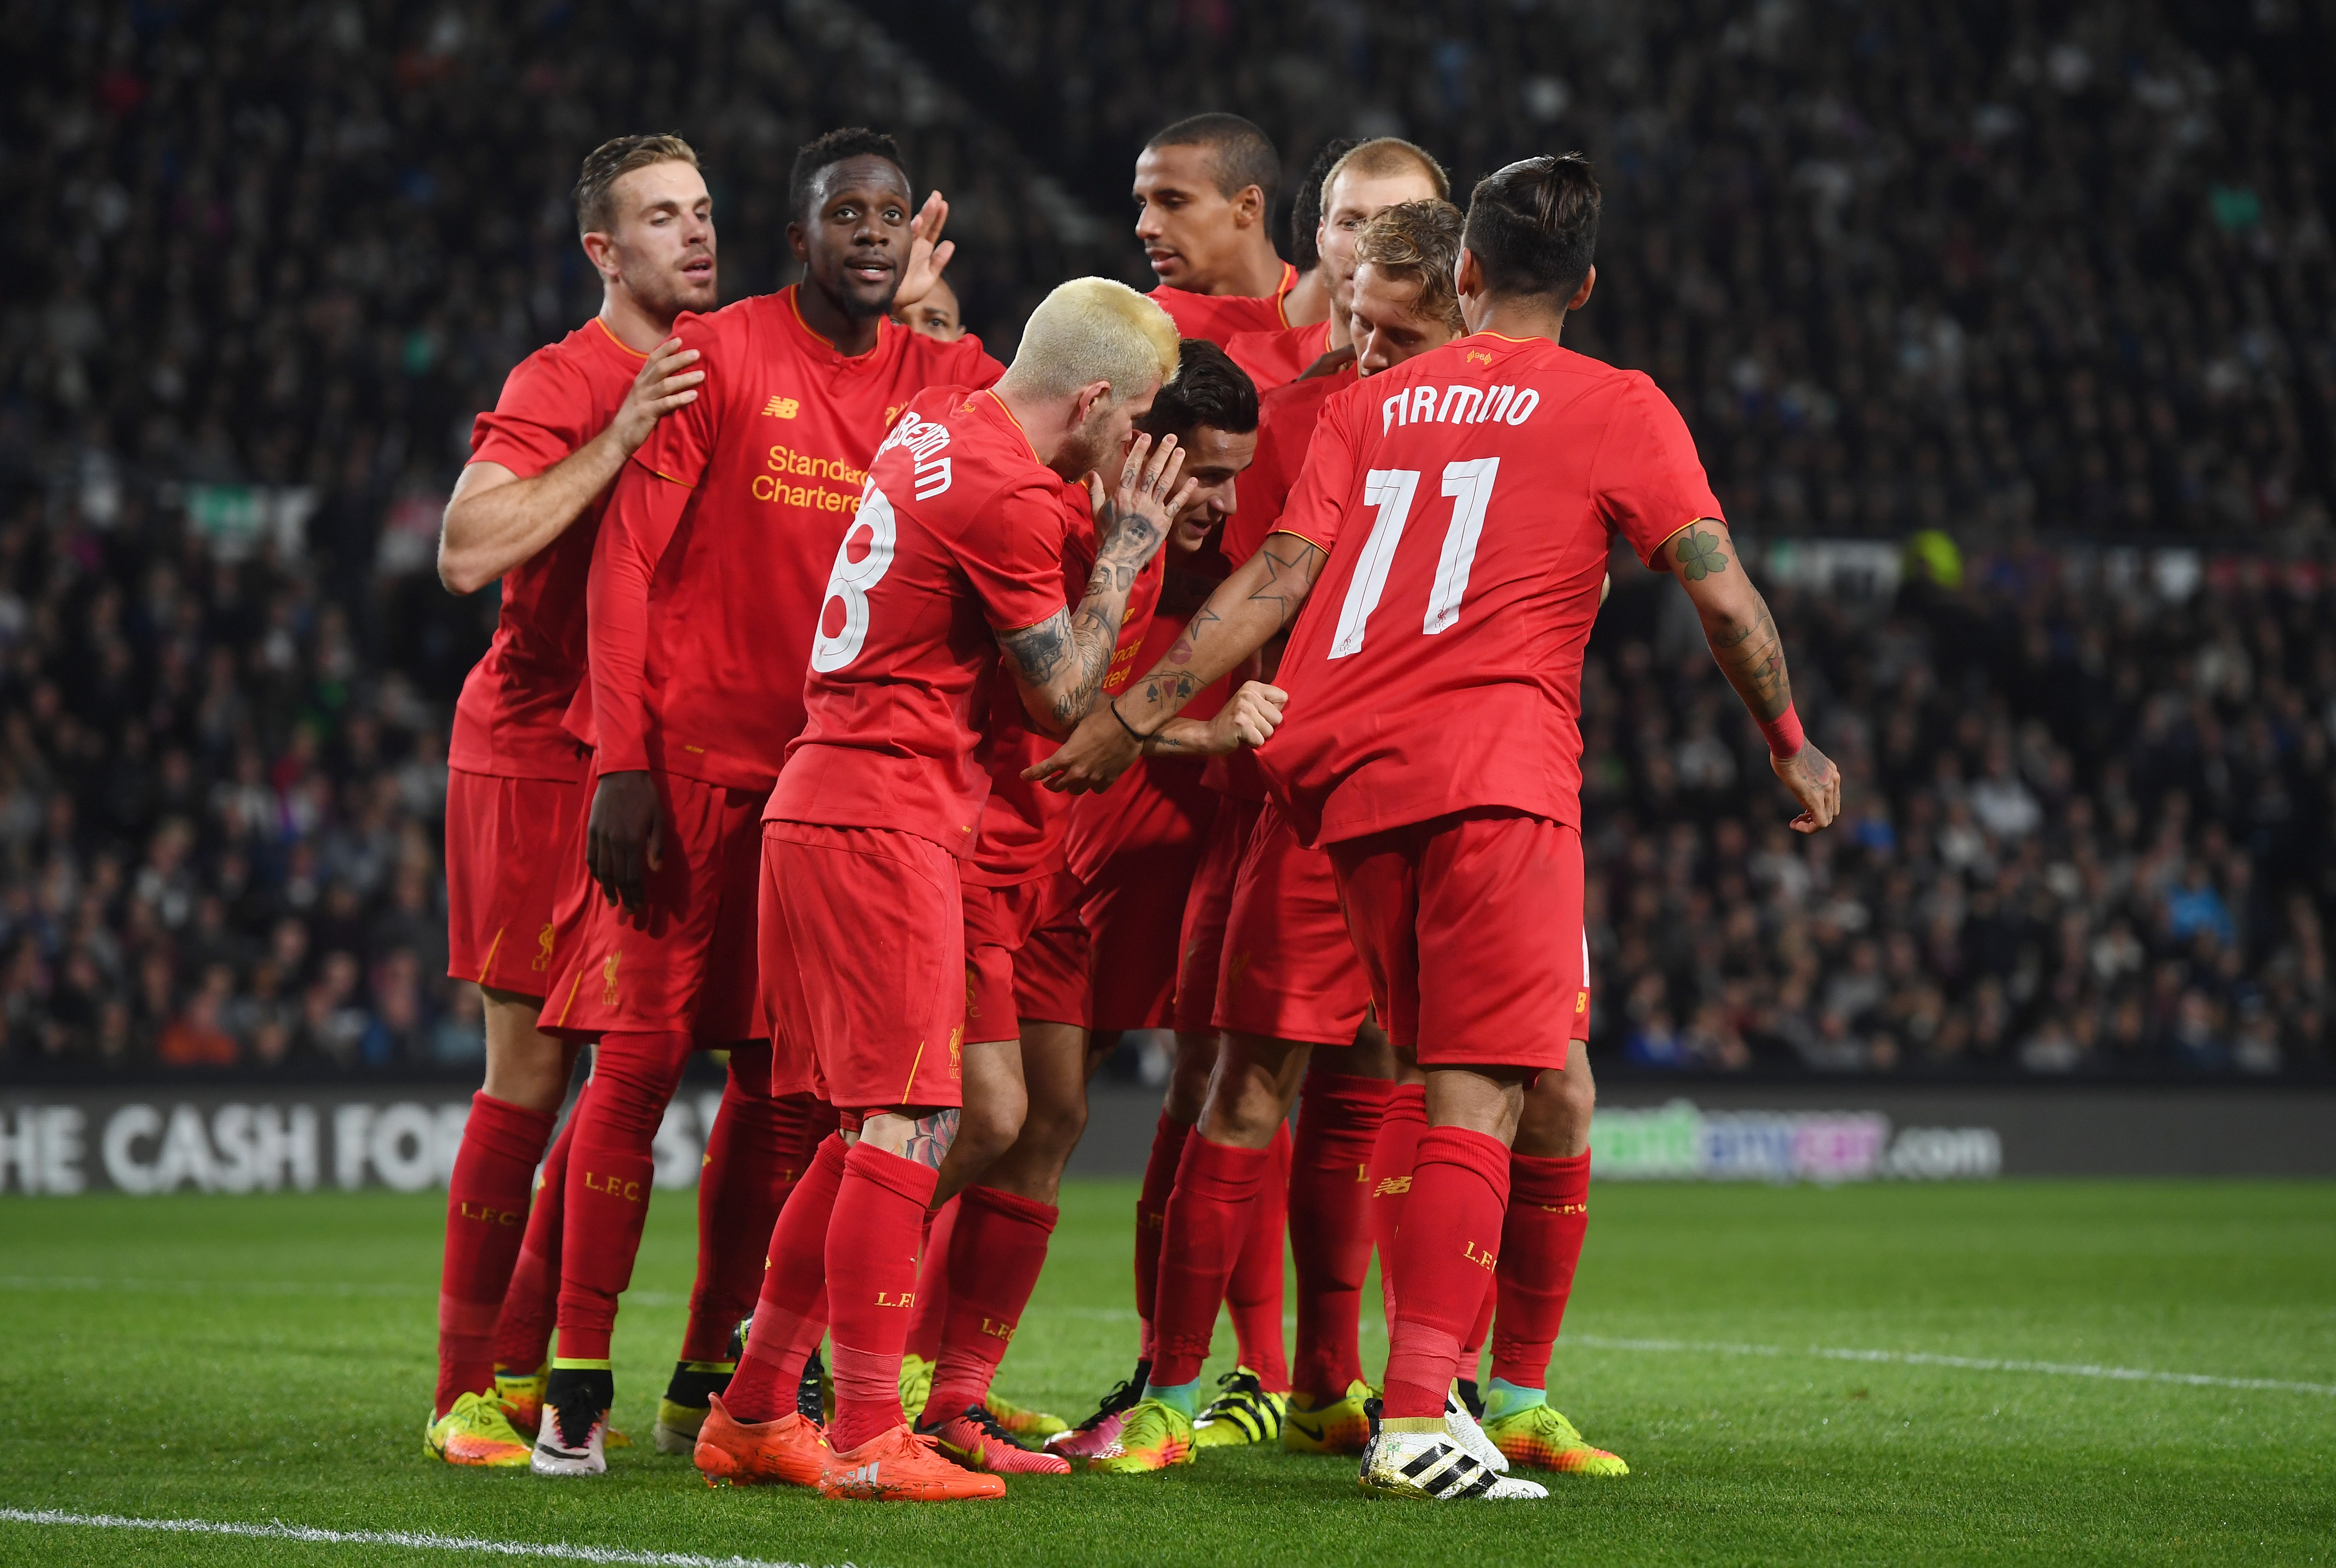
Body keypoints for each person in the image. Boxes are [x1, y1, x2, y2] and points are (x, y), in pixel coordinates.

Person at [1047, 153, 1843, 1502]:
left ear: (1464, 271)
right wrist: (1788, 742)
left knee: (1442, 1083)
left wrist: (1129, 710)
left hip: (1347, 786)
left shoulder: (1374, 408)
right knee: (1473, 1089)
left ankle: (1446, 1394)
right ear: (1584, 284)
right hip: (1494, 776)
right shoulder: (1619, 403)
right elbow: (1719, 597)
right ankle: (1417, 1410)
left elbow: (1268, 586)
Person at [694, 278, 1281, 1503]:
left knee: (977, 1110)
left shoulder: (944, 424)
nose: (1138, 454)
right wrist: (1120, 554)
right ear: (1099, 400)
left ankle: (755, 1408)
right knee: (906, 1124)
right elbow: (1065, 698)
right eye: (1133, 426)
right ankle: (864, 1432)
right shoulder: (1004, 490)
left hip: (901, 810)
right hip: (878, 811)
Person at [525, 126, 993, 1478]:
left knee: (790, 1092)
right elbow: (625, 563)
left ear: (914, 239)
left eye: (889, 216)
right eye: (843, 213)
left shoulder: (944, 380)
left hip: (824, 793)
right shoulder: (718, 355)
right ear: (798, 237)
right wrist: (620, 760)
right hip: (686, 774)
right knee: (639, 1058)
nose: (867, 232)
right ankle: (572, 1389)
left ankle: (711, 1374)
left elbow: (1051, 393)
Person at [1063, 199, 1472, 1475]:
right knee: (1239, 1086)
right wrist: (1145, 715)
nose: (1361, 343)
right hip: (1301, 798)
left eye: (1389, 325)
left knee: (1406, 1086)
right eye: (1347, 316)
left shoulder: (1515, 421)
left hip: (1453, 790)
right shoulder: (1309, 420)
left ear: (1458, 306)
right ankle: (1175, 1390)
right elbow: (1241, 587)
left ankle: (1369, 1385)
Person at [422, 133, 714, 1470]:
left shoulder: (735, 365)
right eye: (661, 217)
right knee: (534, 1072)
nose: (693, 234)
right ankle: (463, 1393)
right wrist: (618, 435)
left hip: (661, 759)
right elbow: (465, 548)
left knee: (638, 1068)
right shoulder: (564, 377)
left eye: (703, 211)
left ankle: (549, 1364)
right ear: (603, 249)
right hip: (538, 757)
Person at [1224, 137, 1446, 393]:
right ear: (1321, 237)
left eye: (1397, 225)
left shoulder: (1486, 385)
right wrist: (1288, 412)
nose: (1367, 246)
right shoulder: (1248, 367)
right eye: (1351, 223)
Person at [1136, 114, 1324, 346]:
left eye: (1174, 203)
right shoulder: (1141, 331)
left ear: (1247, 206)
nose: (1144, 228)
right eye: (1143, 205)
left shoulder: (1329, 315)